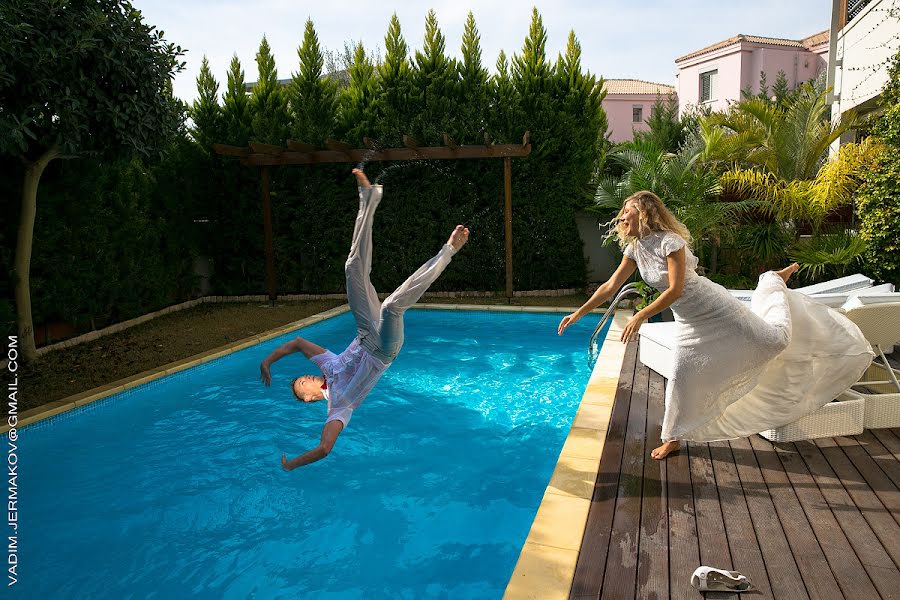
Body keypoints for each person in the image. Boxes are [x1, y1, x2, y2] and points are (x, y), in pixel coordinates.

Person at [558, 190, 873, 460]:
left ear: (644, 214)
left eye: (626, 212)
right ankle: (673, 436)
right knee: (682, 373)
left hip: (714, 307)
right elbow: (610, 286)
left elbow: (676, 289)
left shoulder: (670, 242)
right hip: (688, 320)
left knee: (775, 341)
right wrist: (579, 313)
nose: (621, 217)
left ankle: (773, 281)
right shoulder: (635, 249)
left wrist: (641, 315)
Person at [260, 168, 469, 471]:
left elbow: (296, 343)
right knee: (392, 306)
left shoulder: (327, 364)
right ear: (307, 400)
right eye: (299, 386)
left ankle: (368, 199)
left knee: (352, 269)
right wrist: (292, 464)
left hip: (364, 330)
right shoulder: (338, 408)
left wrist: (268, 362)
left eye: (299, 377)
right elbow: (324, 448)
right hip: (383, 349)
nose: (301, 379)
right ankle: (449, 250)